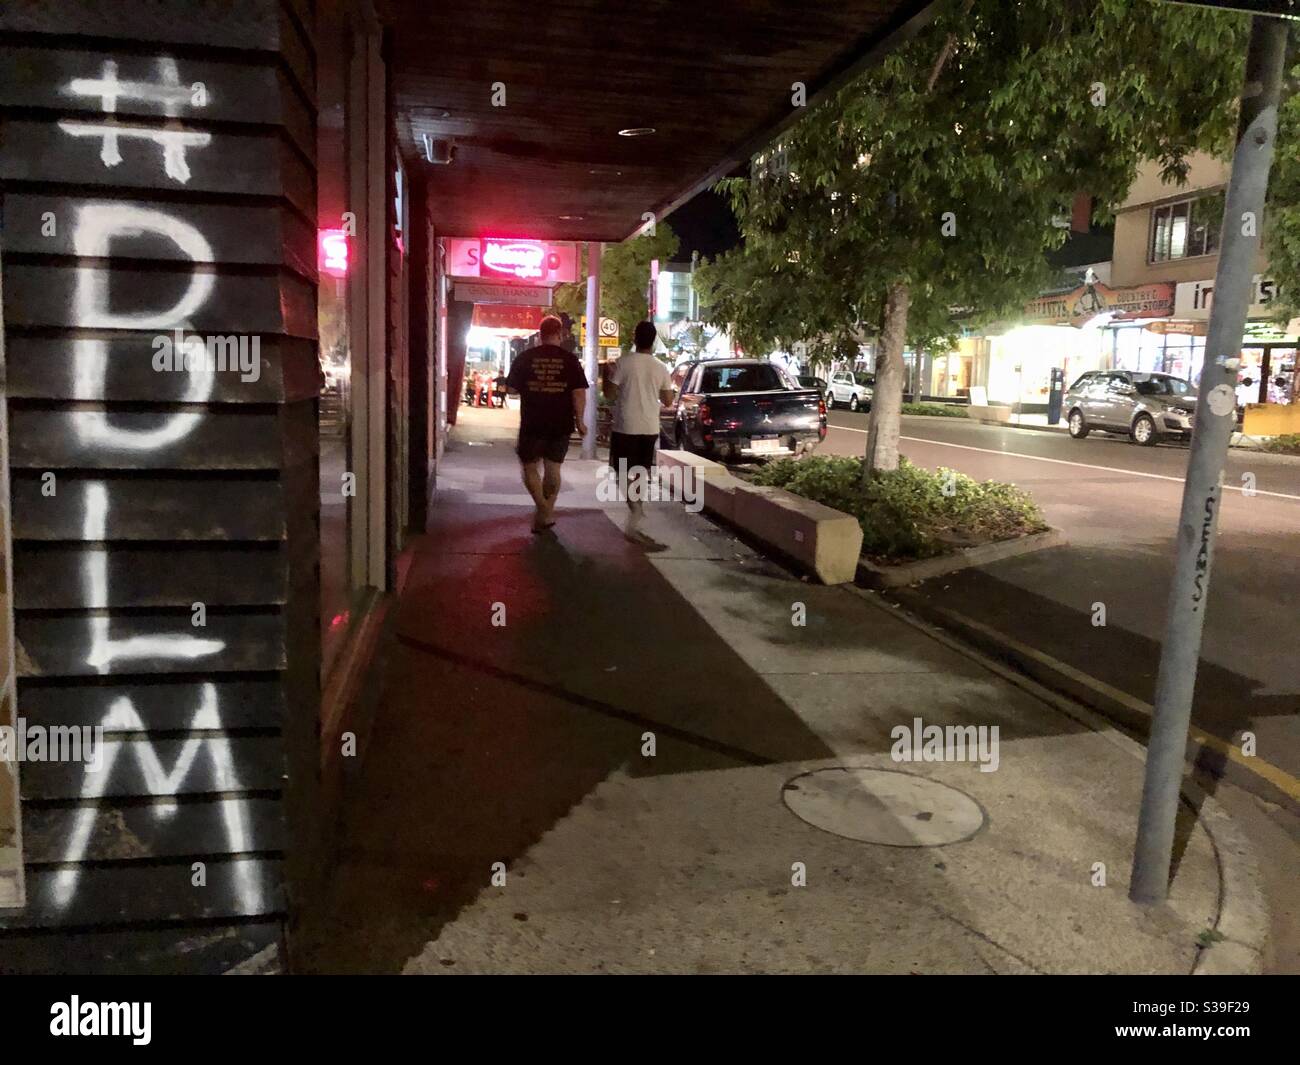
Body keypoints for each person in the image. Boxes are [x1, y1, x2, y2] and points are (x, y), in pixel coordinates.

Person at [505, 316, 589, 533]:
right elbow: (579, 393)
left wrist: (530, 385)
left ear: (540, 335)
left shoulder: (525, 358)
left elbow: (512, 390)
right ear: (560, 333)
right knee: (553, 469)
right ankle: (545, 513)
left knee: (530, 467)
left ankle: (543, 511)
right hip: (560, 423)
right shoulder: (570, 360)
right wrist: (580, 421)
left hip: (532, 422)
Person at [604, 320, 675, 547]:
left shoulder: (623, 363)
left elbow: (610, 394)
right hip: (648, 427)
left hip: (625, 427)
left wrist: (607, 375)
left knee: (621, 473)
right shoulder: (661, 367)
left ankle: (635, 513)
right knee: (641, 472)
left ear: (635, 338)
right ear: (653, 341)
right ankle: (636, 516)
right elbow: (668, 400)